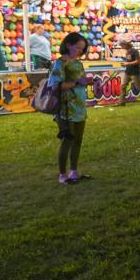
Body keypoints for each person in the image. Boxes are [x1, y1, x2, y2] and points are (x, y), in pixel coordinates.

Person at [48, 32, 93, 185]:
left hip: (79, 107)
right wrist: (77, 82)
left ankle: (74, 171)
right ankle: (62, 174)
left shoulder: (78, 64)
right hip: (65, 108)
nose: (80, 51)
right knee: (67, 140)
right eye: (78, 47)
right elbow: (55, 86)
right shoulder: (60, 63)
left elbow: (80, 82)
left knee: (78, 141)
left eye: (83, 48)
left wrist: (87, 82)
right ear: (68, 45)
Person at [118, 41, 140, 105]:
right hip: (128, 71)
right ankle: (121, 102)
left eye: (122, 46)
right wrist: (125, 64)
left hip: (134, 72)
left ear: (126, 45)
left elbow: (137, 61)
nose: (122, 47)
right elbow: (129, 61)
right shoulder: (127, 52)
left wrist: (127, 63)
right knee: (123, 86)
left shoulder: (135, 51)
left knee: (139, 87)